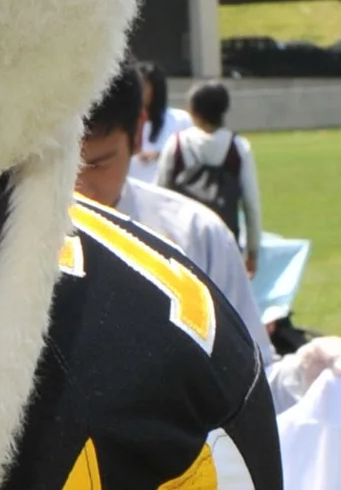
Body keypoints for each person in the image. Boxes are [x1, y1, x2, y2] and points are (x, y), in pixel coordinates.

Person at [76, 60, 267, 352]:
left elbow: (256, 369)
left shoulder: (199, 236)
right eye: (50, 166)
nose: (76, 189)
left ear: (138, 132)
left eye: (97, 165)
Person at [159, 80, 264, 274]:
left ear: (193, 110)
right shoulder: (239, 147)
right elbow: (252, 205)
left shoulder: (176, 144)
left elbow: (159, 198)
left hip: (183, 246)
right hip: (227, 246)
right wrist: (253, 252)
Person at [137, 63, 190, 168]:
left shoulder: (180, 119)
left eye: (143, 85)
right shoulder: (121, 122)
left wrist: (161, 155)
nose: (138, 91)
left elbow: (191, 154)